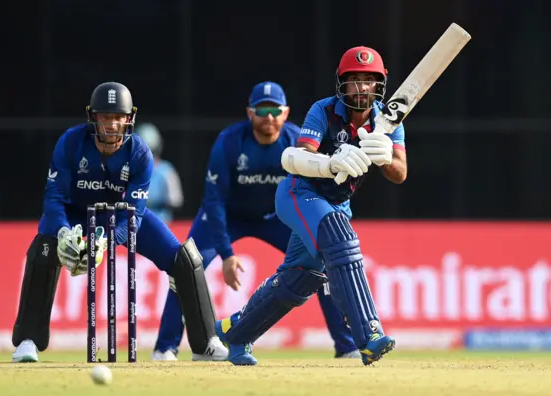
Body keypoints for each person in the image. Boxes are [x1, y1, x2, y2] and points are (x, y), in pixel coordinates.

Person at [214, 47, 408, 366]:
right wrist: (331, 163)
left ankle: (234, 333)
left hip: (337, 203)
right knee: (341, 239)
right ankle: (370, 336)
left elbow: (400, 173)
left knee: (300, 279)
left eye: (368, 81)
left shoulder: (388, 121)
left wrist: (386, 157)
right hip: (299, 192)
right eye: (354, 80)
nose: (361, 87)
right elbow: (297, 157)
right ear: (342, 84)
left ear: (379, 85)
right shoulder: (324, 110)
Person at [11, 81, 227, 363]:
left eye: (118, 117)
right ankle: (28, 341)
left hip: (121, 214)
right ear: (93, 117)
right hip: (75, 212)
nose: (112, 124)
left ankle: (205, 343)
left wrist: (105, 241)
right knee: (42, 250)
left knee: (185, 260)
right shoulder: (71, 142)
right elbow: (53, 197)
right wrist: (63, 232)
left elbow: (135, 215)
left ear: (129, 118)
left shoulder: (139, 153)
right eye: (105, 117)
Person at [152, 81, 359, 361]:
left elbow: (311, 192)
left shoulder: (298, 142)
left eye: (275, 110)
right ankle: (166, 348)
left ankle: (347, 348)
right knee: (184, 267)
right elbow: (213, 200)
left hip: (276, 218)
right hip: (228, 217)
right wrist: (226, 254)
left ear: (285, 113)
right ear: (250, 113)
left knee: (324, 263)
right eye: (262, 110)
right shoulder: (230, 141)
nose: (269, 117)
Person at [136, 123, 184, 223]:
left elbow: (176, 200)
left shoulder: (166, 170)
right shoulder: (128, 171)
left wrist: (150, 201)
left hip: (161, 221)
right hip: (134, 223)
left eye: (151, 152)